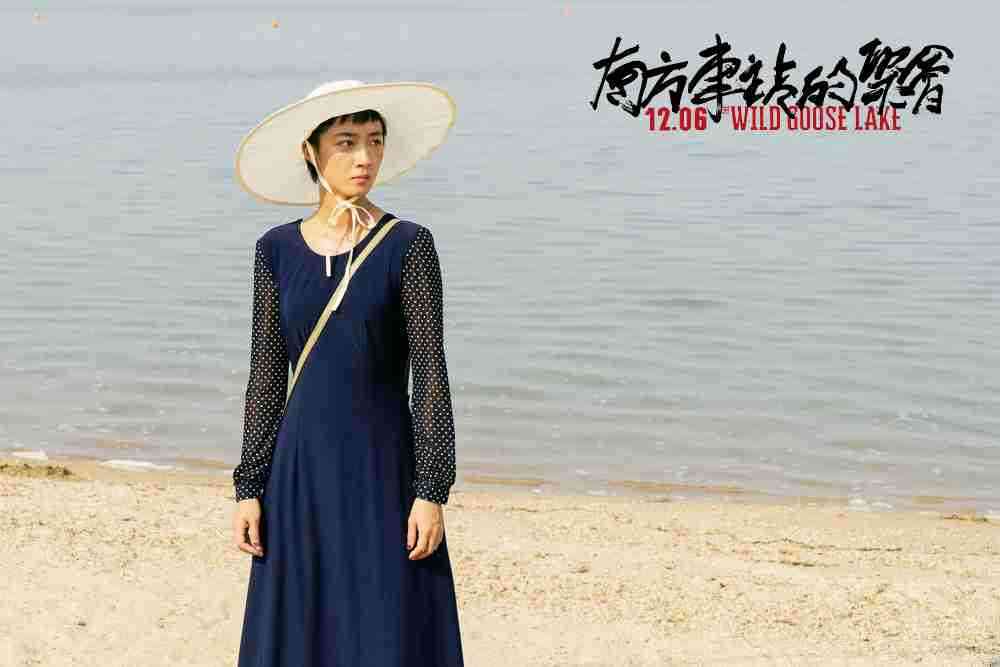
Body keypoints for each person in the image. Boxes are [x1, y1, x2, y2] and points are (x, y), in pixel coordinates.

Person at [230, 80, 463, 666]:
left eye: (375, 141)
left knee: (387, 622)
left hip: (383, 465)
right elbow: (266, 376)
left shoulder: (408, 245)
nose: (364, 157)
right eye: (347, 142)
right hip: (300, 469)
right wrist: (249, 487)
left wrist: (431, 489)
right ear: (310, 151)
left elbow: (430, 373)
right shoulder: (275, 250)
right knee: (302, 626)